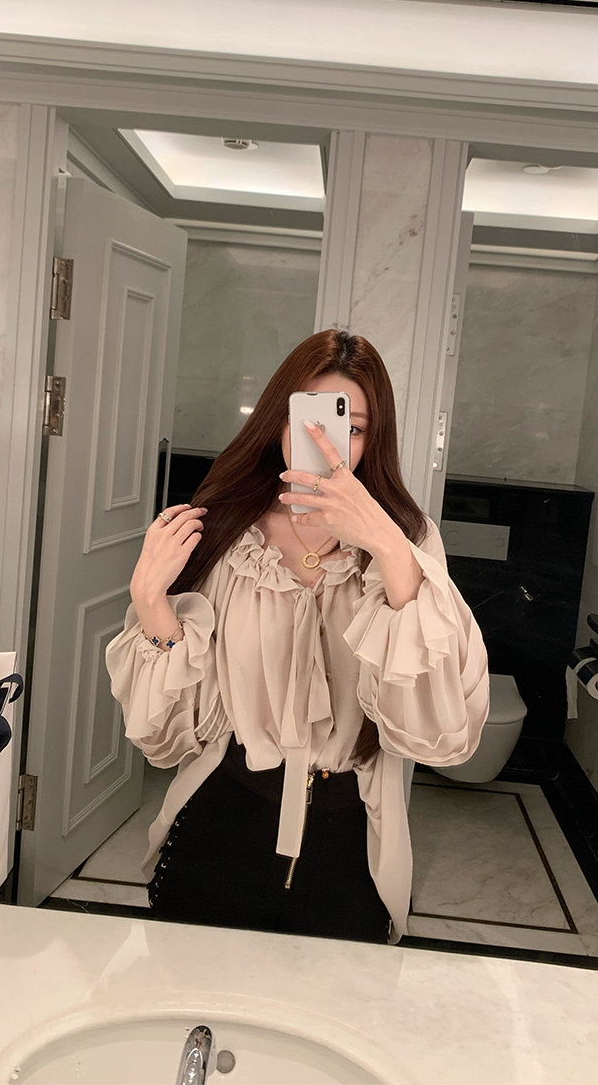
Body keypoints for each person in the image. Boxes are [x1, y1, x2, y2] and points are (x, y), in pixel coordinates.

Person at [104, 329, 489, 944]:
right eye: (308, 418)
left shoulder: (407, 542)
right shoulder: (228, 530)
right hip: (220, 818)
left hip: (351, 841)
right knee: (191, 995)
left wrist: (387, 544)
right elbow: (172, 737)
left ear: (374, 439)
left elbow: (441, 732)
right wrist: (150, 603)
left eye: (351, 428)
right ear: (277, 419)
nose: (325, 440)